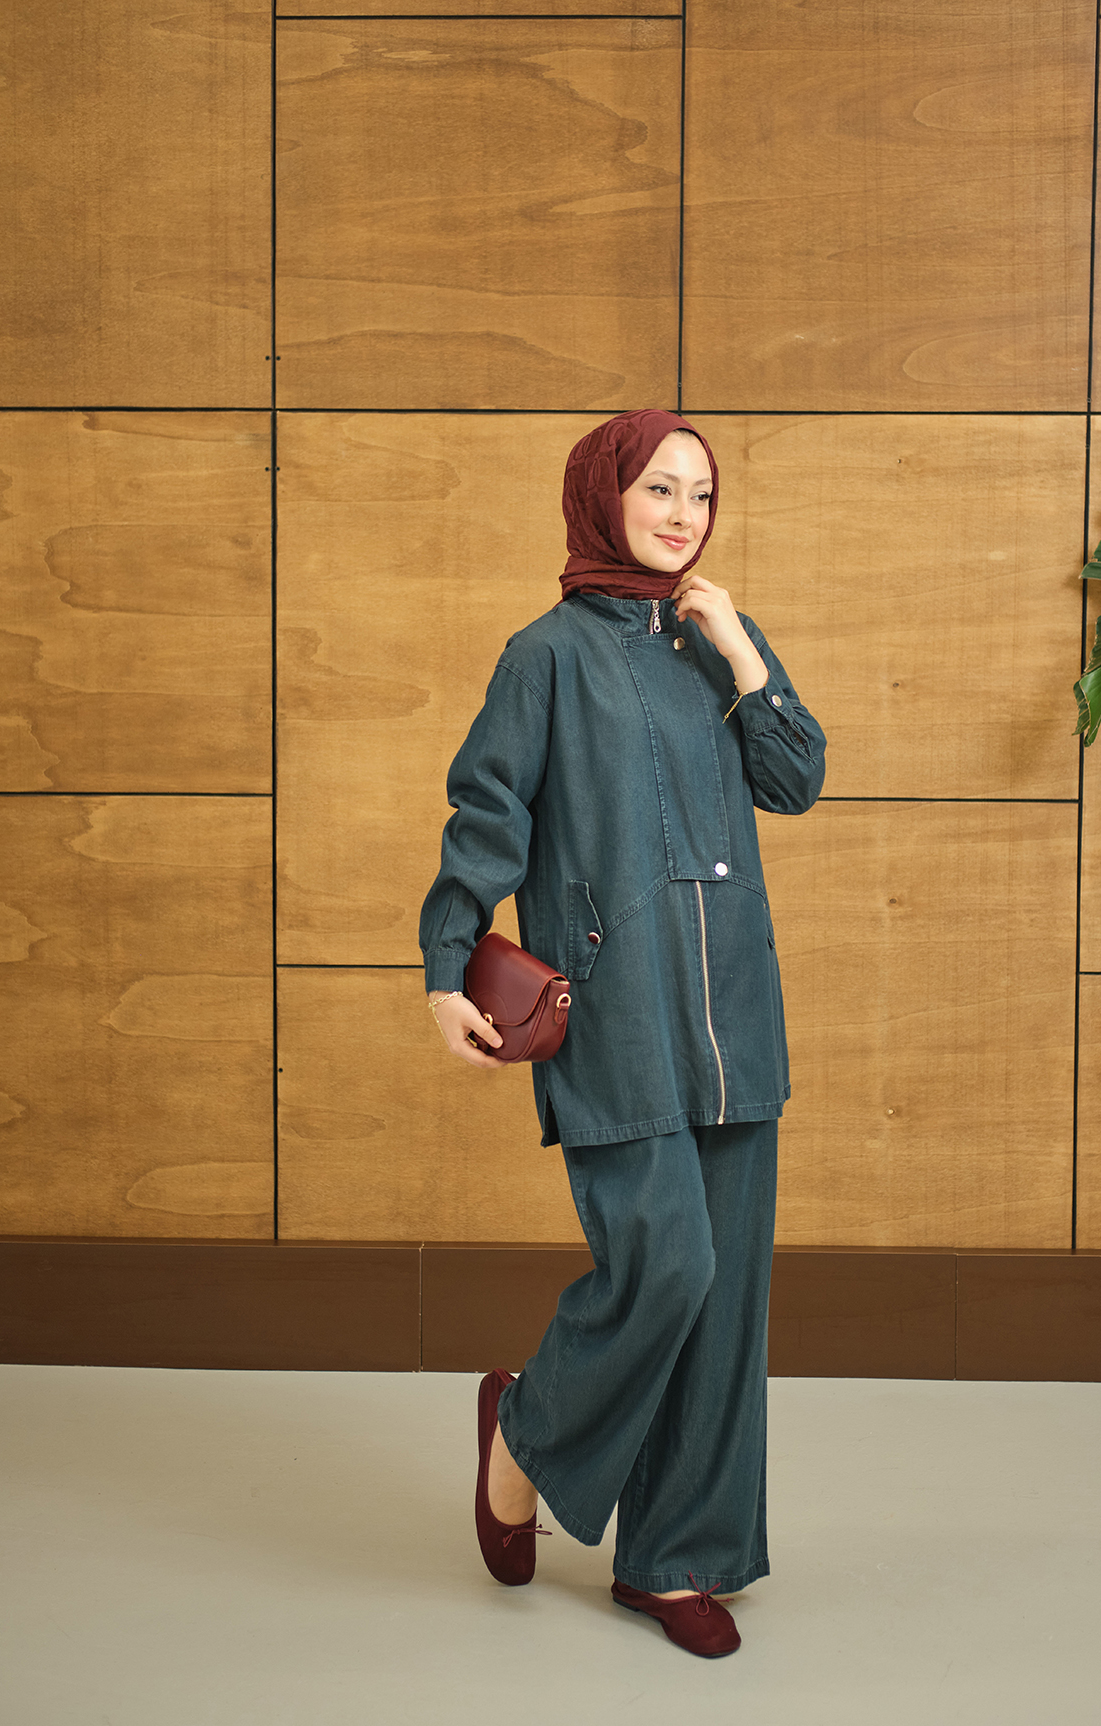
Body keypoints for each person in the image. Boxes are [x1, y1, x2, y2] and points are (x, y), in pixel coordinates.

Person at [419, 409, 826, 1658]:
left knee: (725, 1300)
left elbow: (795, 778)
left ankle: (676, 1559)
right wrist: (447, 962)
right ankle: (524, 1438)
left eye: (701, 494)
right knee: (668, 1270)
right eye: (660, 488)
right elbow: (488, 809)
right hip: (616, 1015)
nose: (682, 515)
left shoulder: (718, 642)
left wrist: (739, 649)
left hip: (735, 1015)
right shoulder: (544, 656)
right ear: (604, 495)